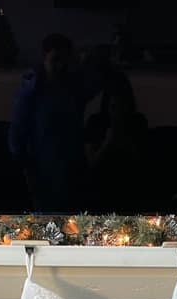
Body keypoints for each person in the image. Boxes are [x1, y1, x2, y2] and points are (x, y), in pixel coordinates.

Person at [8, 34, 103, 212]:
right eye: (55, 59)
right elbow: (17, 130)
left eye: (66, 60)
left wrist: (89, 61)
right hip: (43, 168)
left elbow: (97, 83)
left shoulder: (74, 89)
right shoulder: (31, 92)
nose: (61, 66)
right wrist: (25, 167)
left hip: (73, 166)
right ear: (44, 58)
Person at [83, 72, 149, 212]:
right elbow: (90, 164)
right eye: (113, 106)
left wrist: (125, 140)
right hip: (101, 188)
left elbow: (144, 164)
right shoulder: (96, 123)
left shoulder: (137, 122)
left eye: (122, 106)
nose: (117, 112)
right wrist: (107, 143)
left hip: (129, 187)